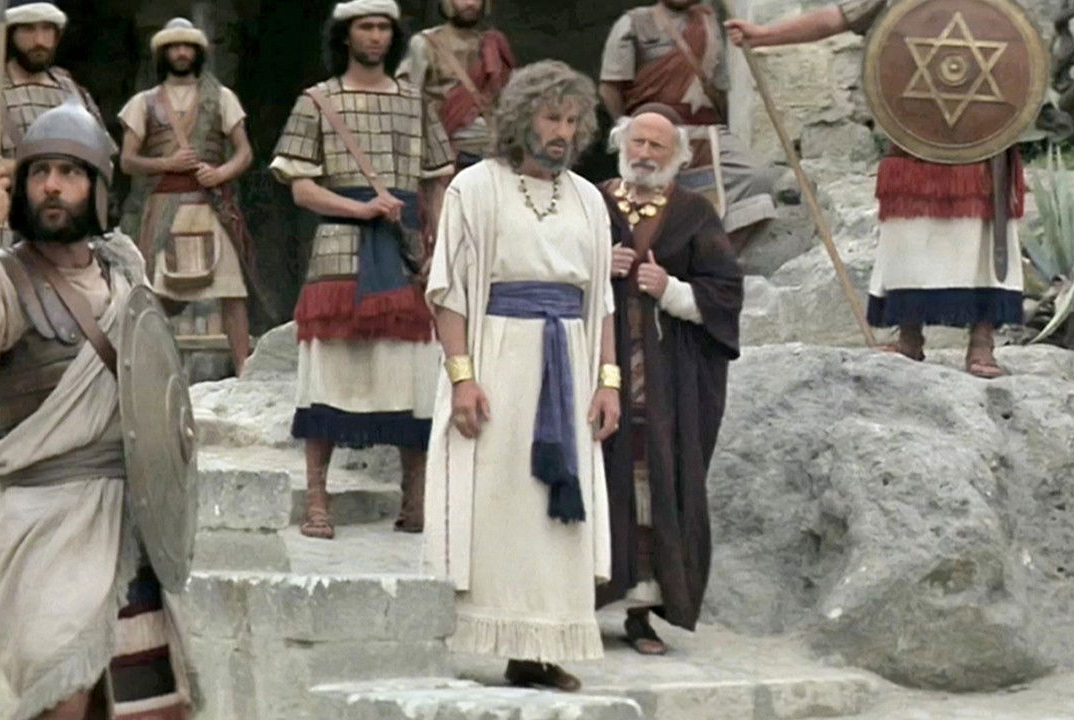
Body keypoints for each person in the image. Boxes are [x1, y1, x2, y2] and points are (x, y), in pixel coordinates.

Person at [0, 101, 189, 720]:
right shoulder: (6, 280)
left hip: (135, 522)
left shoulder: (124, 271)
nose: (51, 186)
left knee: (149, 707)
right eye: (40, 172)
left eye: (70, 172)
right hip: (51, 525)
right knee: (61, 700)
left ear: (97, 187)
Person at [422, 59, 620, 691]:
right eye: (551, 117)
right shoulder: (475, 187)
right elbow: (448, 291)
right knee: (500, 502)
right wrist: (462, 377)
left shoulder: (588, 198)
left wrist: (608, 381)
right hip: (499, 361)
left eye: (572, 120)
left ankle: (545, 647)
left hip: (570, 361)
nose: (563, 132)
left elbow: (601, 301)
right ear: (521, 119)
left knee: (553, 514)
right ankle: (502, 638)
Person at [726, 3, 1025, 377]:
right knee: (909, 237)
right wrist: (765, 35)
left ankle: (982, 344)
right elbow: (837, 17)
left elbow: (1018, 45)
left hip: (982, 127)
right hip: (916, 129)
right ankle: (909, 338)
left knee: (980, 238)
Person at [271, 0, 454, 538]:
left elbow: (438, 179)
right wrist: (361, 209)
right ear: (345, 35)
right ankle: (318, 503)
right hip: (340, 249)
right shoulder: (317, 102)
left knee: (413, 375)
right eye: (365, 27)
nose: (375, 36)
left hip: (405, 249)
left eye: (383, 28)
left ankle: (415, 499)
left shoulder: (416, 102)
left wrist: (438, 242)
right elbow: (302, 189)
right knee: (328, 374)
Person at [593, 106, 742, 655]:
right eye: (638, 142)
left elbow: (726, 293)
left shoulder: (694, 213)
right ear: (621, 144)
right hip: (594, 373)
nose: (645, 154)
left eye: (658, 146)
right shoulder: (590, 201)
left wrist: (671, 290)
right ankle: (581, 603)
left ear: (677, 155)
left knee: (652, 485)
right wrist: (595, 265)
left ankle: (640, 614)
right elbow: (550, 266)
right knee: (594, 481)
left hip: (666, 383)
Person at [118, 17, 256, 375]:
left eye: (187, 47)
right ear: (163, 54)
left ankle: (244, 368)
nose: (181, 53)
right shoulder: (143, 103)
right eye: (174, 47)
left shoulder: (222, 98)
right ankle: (148, 368)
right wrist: (168, 163)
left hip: (211, 206)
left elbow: (244, 152)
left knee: (232, 290)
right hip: (165, 207)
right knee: (154, 293)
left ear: (197, 52)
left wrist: (221, 173)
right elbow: (128, 161)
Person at [599, 0, 778, 253]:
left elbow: (720, 86)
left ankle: (718, 256)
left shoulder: (708, 21)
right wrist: (630, 130)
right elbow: (610, 87)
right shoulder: (633, 23)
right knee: (644, 200)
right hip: (654, 129)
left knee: (755, 179)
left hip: (704, 131)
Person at [0, 0, 111, 189]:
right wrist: (29, 169)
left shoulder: (72, 89)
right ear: (10, 34)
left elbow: (104, 157)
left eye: (47, 29)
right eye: (28, 29)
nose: (39, 41)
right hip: (12, 204)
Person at [396, 0, 515, 172]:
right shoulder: (425, 43)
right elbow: (406, 100)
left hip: (492, 153)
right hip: (443, 152)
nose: (470, 3)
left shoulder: (493, 44)